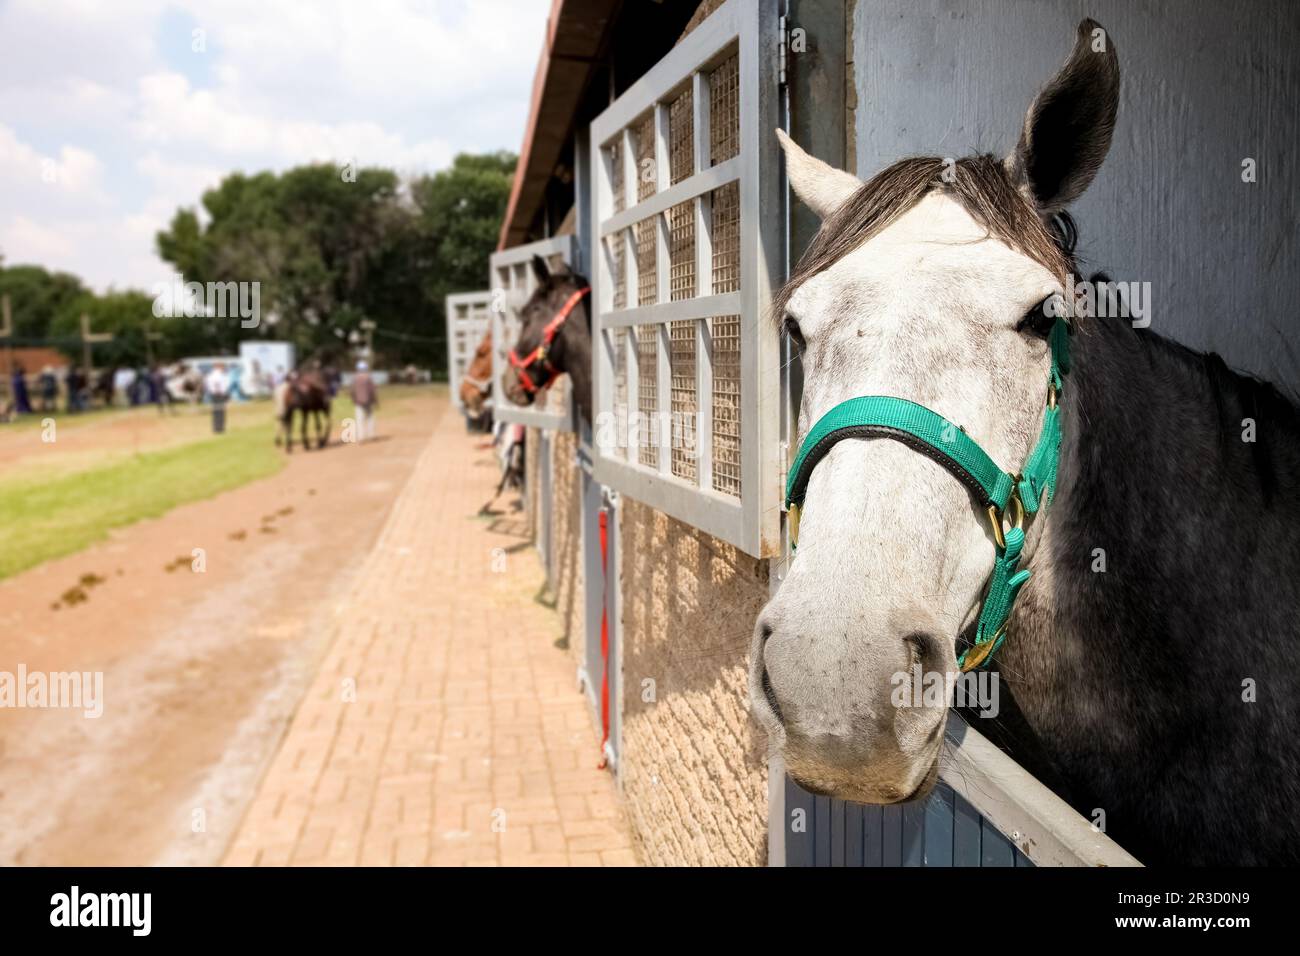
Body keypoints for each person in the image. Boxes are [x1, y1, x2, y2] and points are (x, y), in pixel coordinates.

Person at [350, 360, 378, 443]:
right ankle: (371, 435)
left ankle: (360, 437)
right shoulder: (368, 377)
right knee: (370, 417)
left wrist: (353, 399)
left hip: (358, 401)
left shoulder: (355, 378)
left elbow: (352, 390)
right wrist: (375, 400)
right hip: (368, 401)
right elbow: (372, 390)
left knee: (359, 419)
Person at [205, 362, 230, 434]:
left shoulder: (211, 375)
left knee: (216, 412)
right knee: (220, 412)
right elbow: (221, 385)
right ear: (219, 367)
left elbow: (208, 385)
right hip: (219, 394)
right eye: (223, 367)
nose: (224, 368)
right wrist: (221, 392)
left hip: (214, 394)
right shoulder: (219, 375)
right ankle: (220, 428)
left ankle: (217, 428)